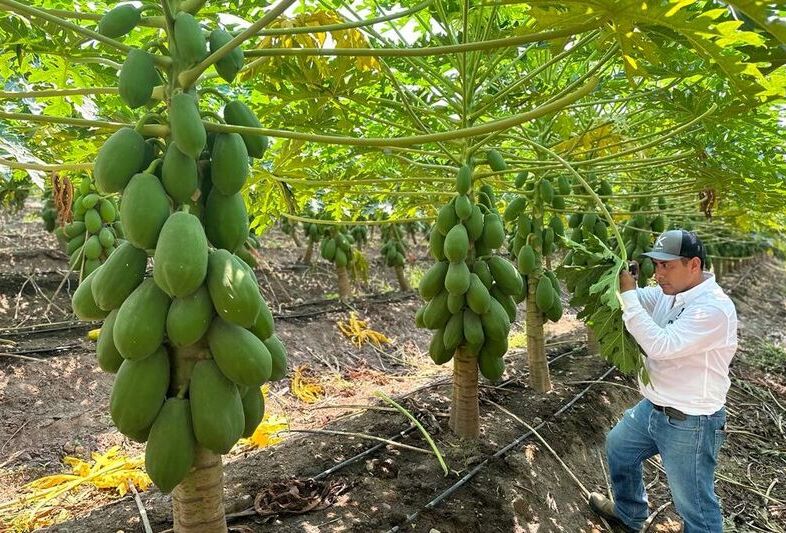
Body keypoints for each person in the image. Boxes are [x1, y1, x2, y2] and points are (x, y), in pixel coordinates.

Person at [589, 229, 738, 533]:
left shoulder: (713, 308)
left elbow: (661, 345)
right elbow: (641, 298)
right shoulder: (670, 292)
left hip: (691, 421)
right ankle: (630, 513)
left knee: (695, 506)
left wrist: (629, 295)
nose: (658, 274)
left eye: (666, 266)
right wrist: (617, 281)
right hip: (654, 407)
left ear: (693, 265)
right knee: (619, 447)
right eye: (655, 265)